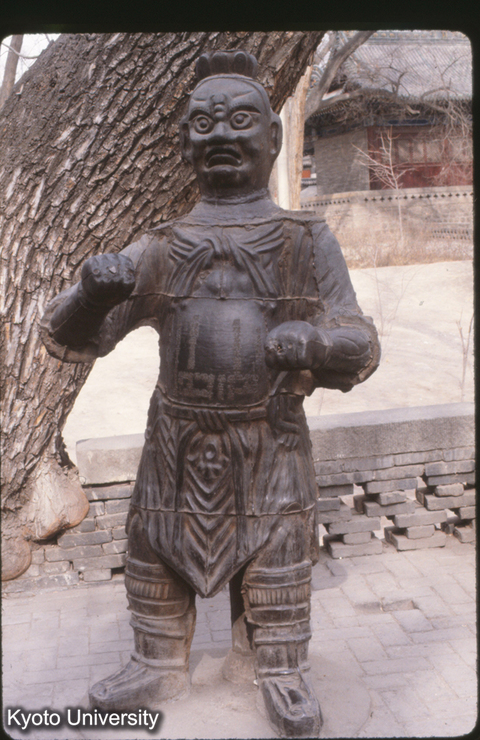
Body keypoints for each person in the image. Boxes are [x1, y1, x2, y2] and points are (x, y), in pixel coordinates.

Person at [41, 49, 380, 738]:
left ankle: (278, 666)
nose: (221, 134)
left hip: (271, 442)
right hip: (176, 439)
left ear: (273, 136)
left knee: (278, 557)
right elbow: (70, 334)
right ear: (184, 143)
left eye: (239, 120)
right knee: (155, 547)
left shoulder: (304, 240)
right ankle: (155, 659)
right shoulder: (164, 245)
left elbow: (360, 339)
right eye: (203, 123)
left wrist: (316, 346)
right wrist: (91, 292)